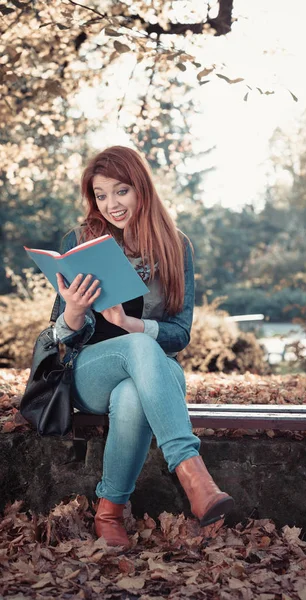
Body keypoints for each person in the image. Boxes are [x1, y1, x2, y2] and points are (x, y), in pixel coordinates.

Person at [53, 146, 234, 547]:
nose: (111, 204)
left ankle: (110, 512)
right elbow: (57, 336)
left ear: (141, 188)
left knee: (134, 391)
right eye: (101, 195)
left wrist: (129, 323)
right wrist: (74, 312)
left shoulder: (175, 245)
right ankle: (193, 476)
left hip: (150, 378)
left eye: (121, 191)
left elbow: (180, 333)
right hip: (89, 373)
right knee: (138, 347)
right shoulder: (82, 241)